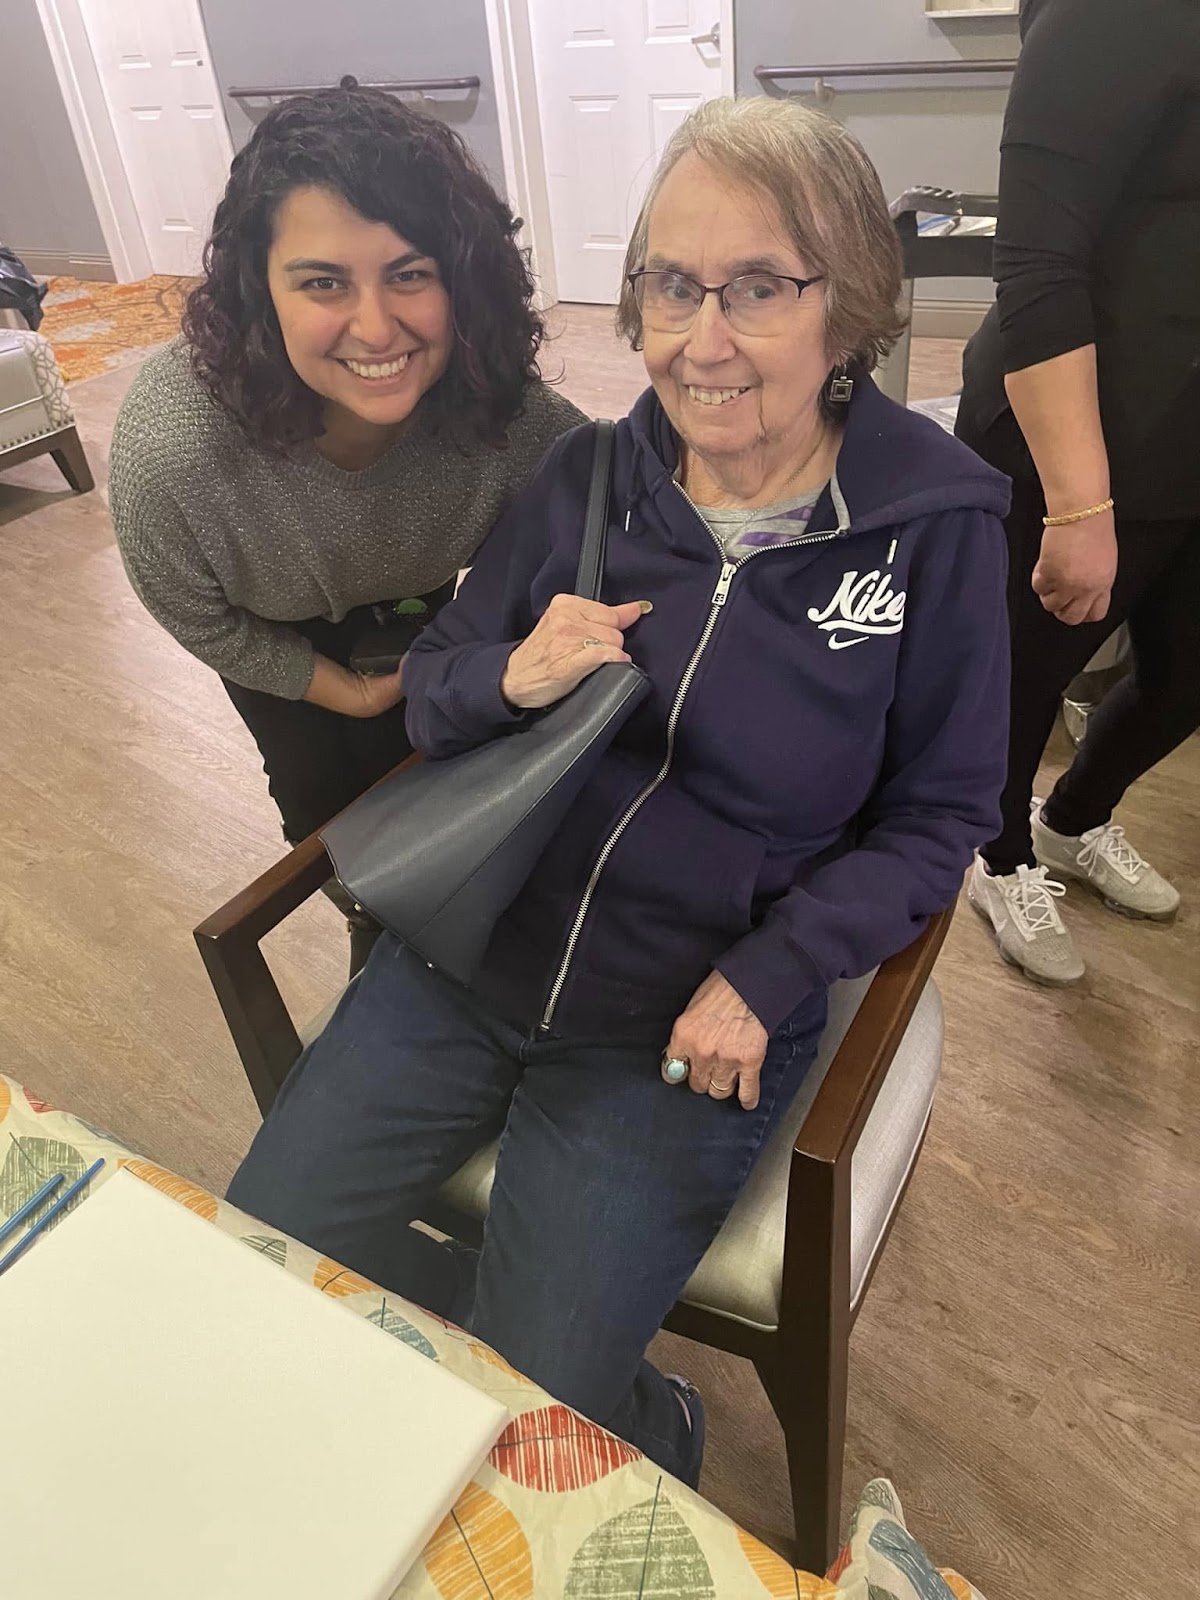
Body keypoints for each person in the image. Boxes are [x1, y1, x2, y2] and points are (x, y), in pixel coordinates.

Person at [227, 97, 1010, 1486]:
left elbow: (941, 819)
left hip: (674, 1024)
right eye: (670, 282)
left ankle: (644, 1417)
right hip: (464, 961)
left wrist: (774, 973)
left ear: (853, 311)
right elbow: (441, 678)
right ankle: (519, 1369)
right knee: (260, 1257)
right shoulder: (588, 476)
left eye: (759, 287)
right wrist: (509, 676)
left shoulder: (932, 529)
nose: (701, 341)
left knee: (535, 1431)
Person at [108, 86, 584, 970]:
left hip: (425, 611)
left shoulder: (507, 416)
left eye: (410, 274)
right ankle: (376, 921)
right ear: (261, 290)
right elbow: (192, 612)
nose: (376, 327)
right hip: (270, 636)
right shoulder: (172, 451)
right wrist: (344, 690)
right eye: (323, 282)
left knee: (452, 769)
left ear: (462, 279)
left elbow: (611, 493)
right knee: (321, 805)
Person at [956, 0, 1200, 984]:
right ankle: (999, 852)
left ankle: (1075, 819)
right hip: (1084, 430)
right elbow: (1036, 264)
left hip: (1188, 431)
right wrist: (1078, 503)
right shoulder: (1113, 14)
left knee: (1185, 676)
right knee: (1026, 673)